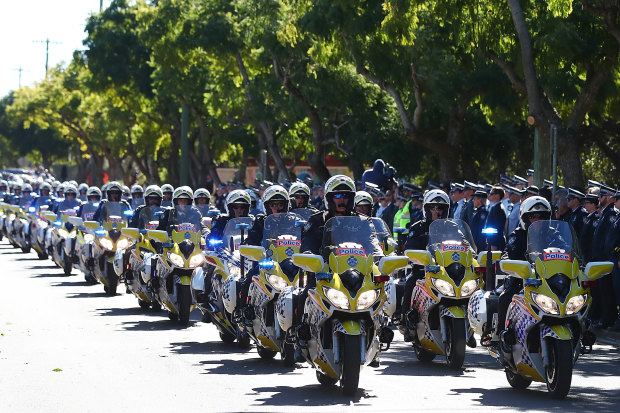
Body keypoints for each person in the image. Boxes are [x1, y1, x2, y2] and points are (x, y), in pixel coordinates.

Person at [496, 196, 552, 342]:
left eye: (542, 216)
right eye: (533, 216)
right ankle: (501, 335)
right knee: (506, 297)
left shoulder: (554, 234)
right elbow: (508, 253)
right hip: (522, 279)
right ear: (526, 218)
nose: (537, 219)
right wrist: (510, 262)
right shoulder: (518, 235)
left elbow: (569, 251)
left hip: (550, 279)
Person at [400, 189, 450, 340]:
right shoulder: (417, 227)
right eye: (433, 208)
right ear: (427, 209)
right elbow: (410, 249)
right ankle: (407, 321)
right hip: (424, 270)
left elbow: (465, 245)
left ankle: (468, 324)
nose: (437, 211)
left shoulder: (452, 227)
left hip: (448, 272)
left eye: (440, 208)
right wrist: (418, 256)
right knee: (410, 283)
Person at [485, 186, 507, 251]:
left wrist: (494, 244)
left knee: (493, 260)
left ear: (497, 196)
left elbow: (498, 228)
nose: (489, 195)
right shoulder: (494, 207)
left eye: (491, 194)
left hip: (495, 242)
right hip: (491, 240)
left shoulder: (499, 209)